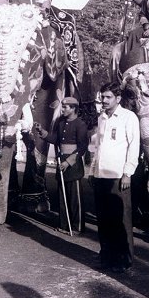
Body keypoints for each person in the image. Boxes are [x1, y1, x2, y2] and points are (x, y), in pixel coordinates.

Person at [89, 82, 140, 273]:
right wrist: (93, 170)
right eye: (103, 97)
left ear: (118, 99)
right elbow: (98, 148)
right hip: (101, 175)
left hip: (119, 177)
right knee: (103, 220)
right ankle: (107, 258)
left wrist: (128, 173)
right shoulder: (102, 118)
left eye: (108, 97)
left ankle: (123, 260)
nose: (104, 100)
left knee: (121, 220)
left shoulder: (129, 117)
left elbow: (134, 147)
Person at [35, 97, 88, 235]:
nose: (62, 109)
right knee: (62, 195)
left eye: (65, 107)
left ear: (74, 108)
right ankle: (64, 225)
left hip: (73, 164)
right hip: (61, 161)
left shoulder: (80, 124)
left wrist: (68, 161)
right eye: (62, 106)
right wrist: (42, 132)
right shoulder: (61, 123)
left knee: (75, 198)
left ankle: (77, 227)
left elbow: (82, 147)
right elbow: (56, 139)